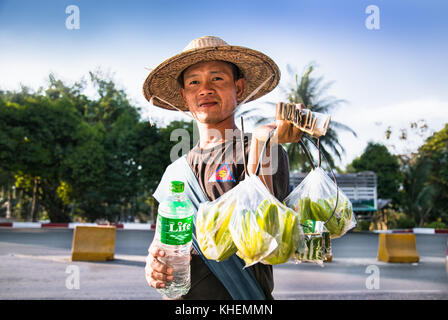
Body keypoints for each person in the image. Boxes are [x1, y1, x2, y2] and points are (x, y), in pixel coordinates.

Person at [143, 36, 303, 300]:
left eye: (217, 79)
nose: (205, 89)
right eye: (194, 82)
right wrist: (153, 267)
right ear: (184, 96)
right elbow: (162, 242)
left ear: (238, 89)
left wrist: (265, 142)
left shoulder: (260, 149)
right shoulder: (175, 172)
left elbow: (262, 237)